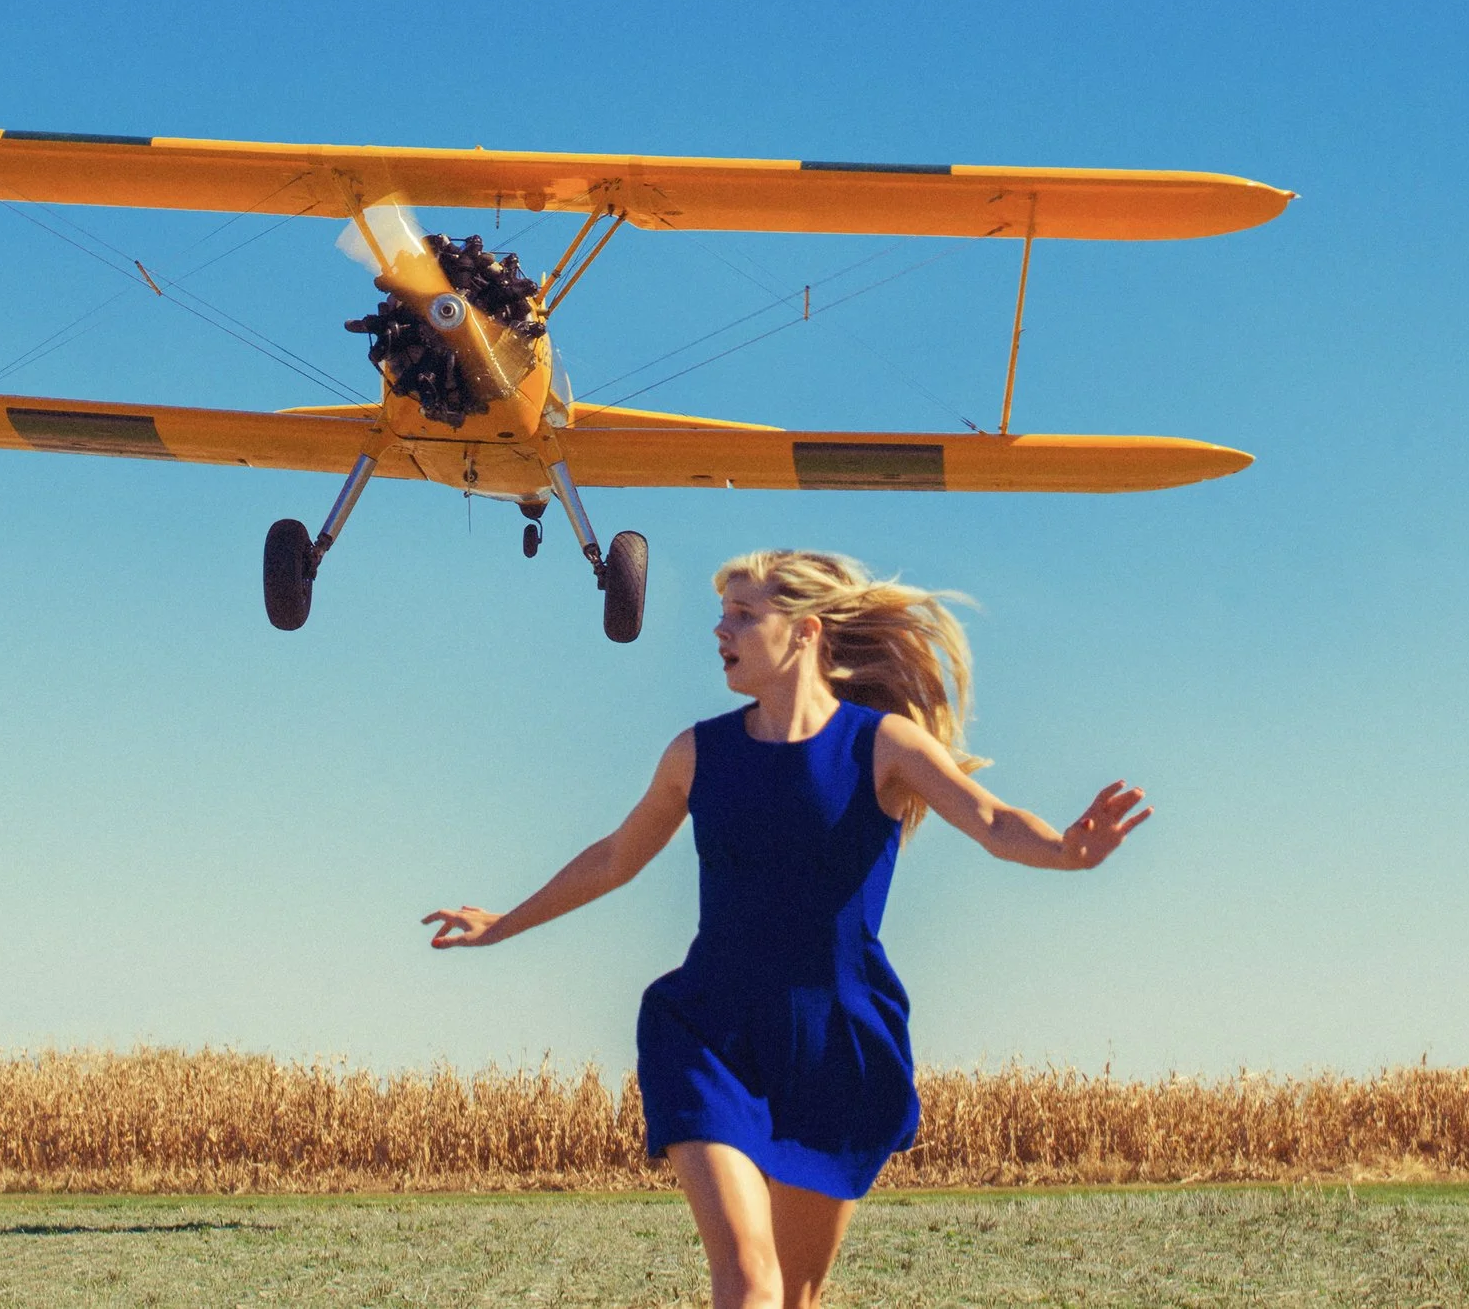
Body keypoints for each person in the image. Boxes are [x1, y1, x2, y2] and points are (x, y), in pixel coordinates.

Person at [424, 549, 1149, 1309]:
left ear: (804, 632)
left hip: (838, 1045)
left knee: (793, 1295)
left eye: (744, 614)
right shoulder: (697, 752)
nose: (720, 628)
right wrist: (505, 921)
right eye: (723, 611)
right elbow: (614, 857)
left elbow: (993, 819)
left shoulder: (883, 745)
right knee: (747, 1280)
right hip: (709, 1033)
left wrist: (1067, 850)